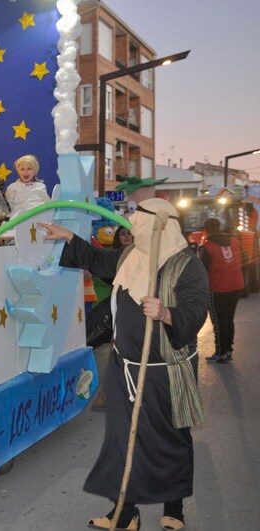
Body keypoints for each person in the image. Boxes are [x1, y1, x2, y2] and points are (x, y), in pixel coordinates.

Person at [39, 198, 209, 531]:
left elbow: (196, 311)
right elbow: (99, 261)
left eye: (136, 217)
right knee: (122, 440)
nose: (130, 222)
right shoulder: (131, 256)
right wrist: (69, 238)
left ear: (157, 224)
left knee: (170, 439)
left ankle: (173, 507)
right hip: (125, 369)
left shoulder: (187, 266)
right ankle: (125, 512)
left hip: (166, 373)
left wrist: (165, 313)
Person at [200, 218, 244, 363]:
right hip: (236, 285)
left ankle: (220, 352)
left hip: (218, 287)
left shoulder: (207, 246)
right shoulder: (235, 241)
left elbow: (203, 270)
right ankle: (228, 350)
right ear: (220, 227)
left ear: (206, 229)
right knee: (228, 320)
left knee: (219, 321)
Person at [5, 154, 51, 219]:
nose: (25, 172)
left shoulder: (40, 186)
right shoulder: (13, 187)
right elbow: (7, 208)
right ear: (18, 171)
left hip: (38, 219)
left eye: (29, 169)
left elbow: (48, 204)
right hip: (18, 220)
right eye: (22, 169)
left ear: (34, 171)